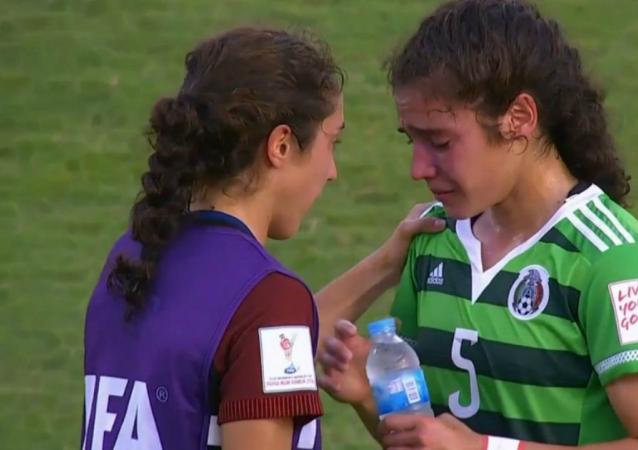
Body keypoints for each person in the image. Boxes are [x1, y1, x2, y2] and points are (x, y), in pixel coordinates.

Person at [318, 1, 638, 449]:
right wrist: (371, 399)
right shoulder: (433, 244)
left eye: (440, 142)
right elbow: (426, 437)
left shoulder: (615, 261)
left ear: (519, 118)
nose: (418, 168)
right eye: (412, 140)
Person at [81, 27, 442, 450]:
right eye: (332, 142)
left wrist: (386, 264)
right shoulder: (266, 300)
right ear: (282, 146)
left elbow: (256, 342)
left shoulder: (135, 252)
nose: (332, 171)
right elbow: (262, 328)